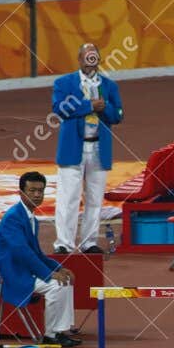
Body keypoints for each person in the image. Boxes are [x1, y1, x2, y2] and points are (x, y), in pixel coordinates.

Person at [0, 172, 80, 347]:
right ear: (21, 193)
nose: (37, 195)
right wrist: (49, 275)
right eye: (32, 190)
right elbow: (22, 252)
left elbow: (36, 253)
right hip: (13, 275)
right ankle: (51, 335)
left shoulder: (30, 217)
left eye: (40, 191)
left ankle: (60, 331)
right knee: (56, 285)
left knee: (65, 280)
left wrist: (58, 268)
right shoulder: (13, 218)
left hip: (25, 269)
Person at [52, 42, 124, 255]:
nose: (90, 61)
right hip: (73, 147)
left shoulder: (110, 86)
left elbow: (118, 115)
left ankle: (89, 242)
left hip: (98, 149)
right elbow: (59, 109)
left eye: (94, 57)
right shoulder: (64, 83)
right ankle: (63, 243)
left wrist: (105, 107)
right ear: (80, 59)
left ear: (99, 60)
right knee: (69, 197)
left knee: (95, 197)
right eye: (86, 57)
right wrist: (89, 106)